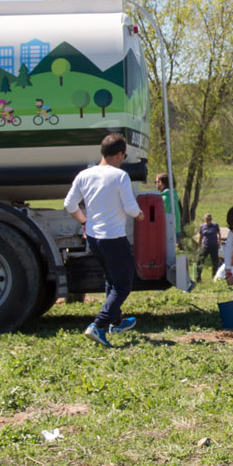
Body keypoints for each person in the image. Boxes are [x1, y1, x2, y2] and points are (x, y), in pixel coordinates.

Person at [64, 133, 144, 348]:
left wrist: (84, 221)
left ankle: (115, 322)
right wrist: (140, 215)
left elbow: (69, 204)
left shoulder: (84, 175)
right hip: (113, 238)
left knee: (111, 279)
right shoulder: (120, 176)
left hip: (94, 238)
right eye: (124, 156)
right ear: (119, 154)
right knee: (123, 285)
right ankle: (98, 325)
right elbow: (130, 207)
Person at [195, 213, 222, 283]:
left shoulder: (215, 225)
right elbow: (200, 236)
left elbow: (219, 234)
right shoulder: (202, 226)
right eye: (207, 219)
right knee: (200, 261)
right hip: (205, 246)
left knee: (215, 262)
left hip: (214, 246)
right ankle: (198, 278)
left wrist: (219, 242)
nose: (209, 220)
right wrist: (198, 246)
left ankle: (214, 276)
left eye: (210, 219)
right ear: (204, 219)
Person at [155, 173, 183, 239]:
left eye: (155, 182)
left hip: (169, 232)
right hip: (176, 231)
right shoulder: (174, 195)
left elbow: (159, 217)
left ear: (160, 182)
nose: (155, 184)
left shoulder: (166, 198)